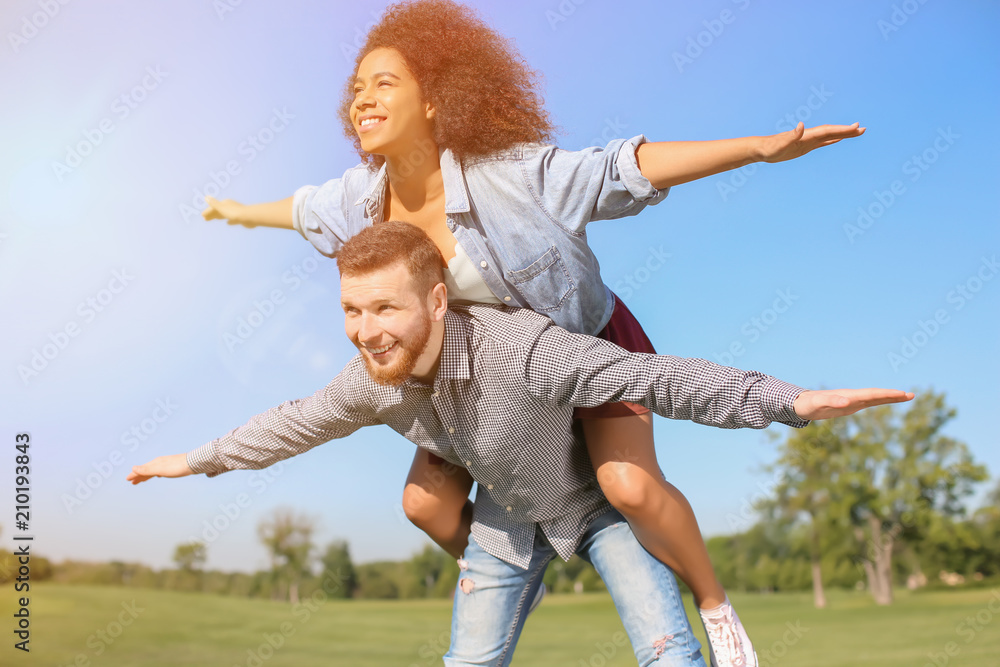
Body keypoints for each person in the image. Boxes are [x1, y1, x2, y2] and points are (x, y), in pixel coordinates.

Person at [200, 2, 867, 664]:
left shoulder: (509, 176)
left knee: (627, 486)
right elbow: (300, 209)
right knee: (424, 506)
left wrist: (756, 148)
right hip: (488, 380)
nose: (362, 100)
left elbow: (620, 169)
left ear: (433, 98)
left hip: (586, 347)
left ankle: (717, 608)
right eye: (356, 89)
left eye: (384, 83)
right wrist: (234, 211)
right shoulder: (358, 199)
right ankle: (519, 569)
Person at [128, 222, 913, 666]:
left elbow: (660, 377)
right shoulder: (368, 380)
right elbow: (291, 422)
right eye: (352, 309)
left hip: (596, 508)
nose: (366, 331)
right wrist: (196, 459)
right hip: (504, 526)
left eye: (385, 308)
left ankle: (715, 607)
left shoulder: (523, 348)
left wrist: (791, 401)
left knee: (669, 654)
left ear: (437, 300)